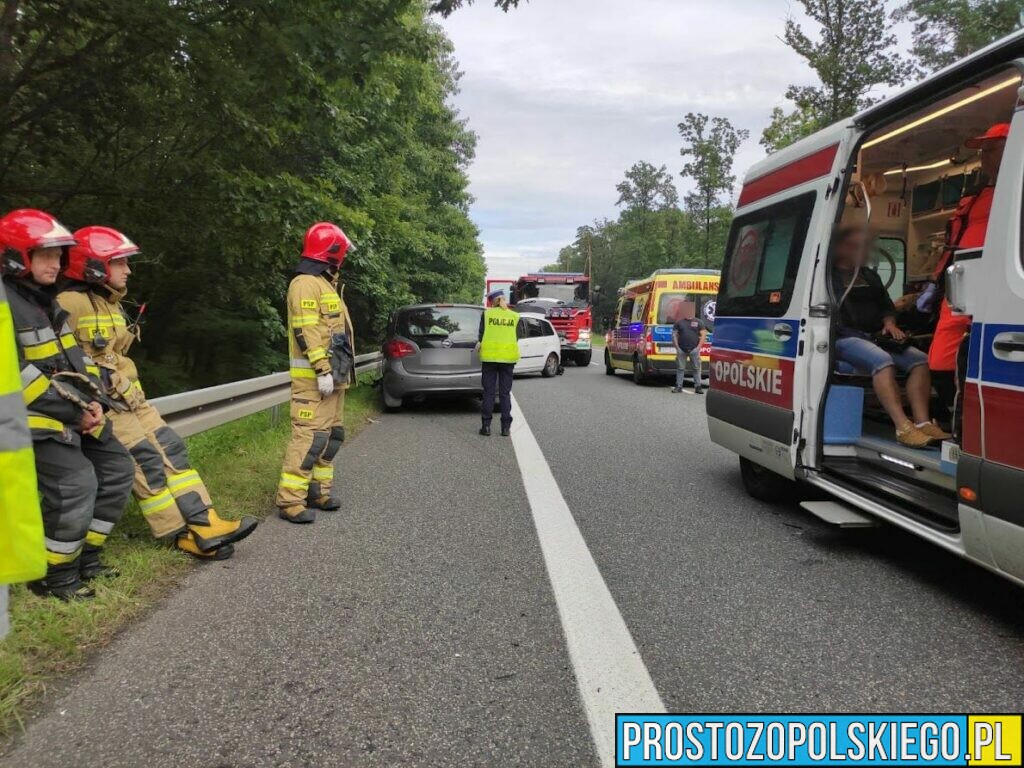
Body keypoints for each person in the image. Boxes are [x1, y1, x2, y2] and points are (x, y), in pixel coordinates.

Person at [57, 226, 257, 559]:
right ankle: (178, 533)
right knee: (146, 463)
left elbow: (114, 356)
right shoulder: (68, 303)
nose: (128, 270)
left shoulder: (110, 304)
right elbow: (64, 364)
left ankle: (206, 520)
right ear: (93, 266)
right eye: (120, 263)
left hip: (133, 400)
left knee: (172, 450)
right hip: (107, 406)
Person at [1, 209, 134, 599]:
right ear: (15, 256)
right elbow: (18, 380)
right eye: (45, 254)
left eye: (59, 255)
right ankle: (53, 577)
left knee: (117, 469)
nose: (55, 263)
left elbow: (79, 360)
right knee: (77, 483)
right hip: (27, 421)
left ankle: (85, 559)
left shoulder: (45, 300)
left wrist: (96, 404)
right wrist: (77, 412)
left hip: (71, 415)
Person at [832, 227, 950, 449]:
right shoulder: (827, 277)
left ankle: (923, 422)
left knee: (920, 361)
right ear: (841, 248)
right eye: (856, 246)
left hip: (876, 335)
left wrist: (889, 323)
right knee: (882, 361)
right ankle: (903, 427)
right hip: (845, 336)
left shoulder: (869, 276)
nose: (863, 251)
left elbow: (886, 306)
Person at [926, 122, 1007, 435]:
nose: (985, 156)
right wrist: (935, 284)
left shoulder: (1016, 191)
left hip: (998, 283)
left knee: (981, 361)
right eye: (983, 150)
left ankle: (970, 428)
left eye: (992, 149)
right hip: (960, 284)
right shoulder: (974, 195)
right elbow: (955, 241)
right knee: (940, 362)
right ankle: (955, 418)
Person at [277, 222, 355, 524]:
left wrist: (336, 374)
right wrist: (322, 369)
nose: (344, 258)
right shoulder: (305, 283)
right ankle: (290, 501)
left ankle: (318, 491)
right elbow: (306, 330)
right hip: (314, 380)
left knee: (331, 437)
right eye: (342, 252)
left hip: (333, 378)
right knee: (309, 438)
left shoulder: (324, 283)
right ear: (332, 252)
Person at [477, 289, 519, 436]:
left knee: (488, 393)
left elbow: (481, 335)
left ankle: (486, 426)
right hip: (507, 359)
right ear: (503, 299)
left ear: (491, 302)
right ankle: (505, 428)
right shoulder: (514, 316)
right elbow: (517, 336)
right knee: (504, 394)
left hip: (489, 358)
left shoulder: (487, 314)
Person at [671, 306, 707, 394]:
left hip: (694, 349)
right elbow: (674, 335)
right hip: (682, 349)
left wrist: (698, 348)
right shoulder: (679, 322)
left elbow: (703, 335)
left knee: (696, 368)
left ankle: (698, 387)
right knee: (680, 368)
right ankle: (678, 386)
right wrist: (677, 348)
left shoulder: (699, 322)